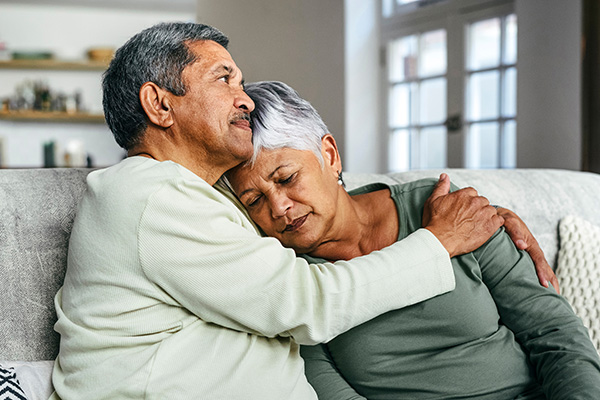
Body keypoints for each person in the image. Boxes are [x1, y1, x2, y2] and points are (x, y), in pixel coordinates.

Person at [49, 22, 514, 400]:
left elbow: (323, 205)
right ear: (160, 105)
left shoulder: (195, 195)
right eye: (223, 78)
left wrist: (489, 219)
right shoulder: (151, 197)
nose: (245, 98)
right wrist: (443, 239)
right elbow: (310, 302)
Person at [225, 80, 600, 399]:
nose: (279, 207)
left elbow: (555, 334)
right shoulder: (285, 278)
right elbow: (327, 390)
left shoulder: (446, 209)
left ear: (329, 154)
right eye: (254, 200)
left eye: (287, 178)